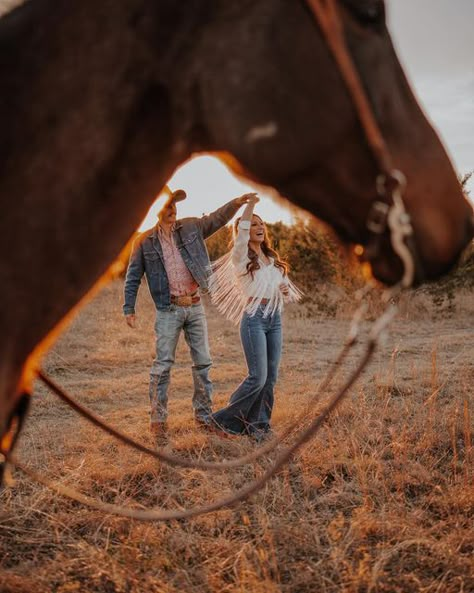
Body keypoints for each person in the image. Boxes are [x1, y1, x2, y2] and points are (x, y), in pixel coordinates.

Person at [123, 188, 252, 438]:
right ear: (155, 210)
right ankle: (158, 420)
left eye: (174, 205)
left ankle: (204, 418)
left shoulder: (192, 227)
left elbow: (216, 218)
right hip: (167, 309)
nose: (171, 209)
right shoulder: (143, 242)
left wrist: (236, 203)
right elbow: (132, 277)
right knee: (162, 366)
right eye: (166, 206)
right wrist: (129, 308)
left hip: (194, 306)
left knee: (203, 363)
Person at [208, 194, 302, 441]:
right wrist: (250, 206)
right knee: (257, 377)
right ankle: (221, 420)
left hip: (274, 319)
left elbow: (288, 293)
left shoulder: (271, 260)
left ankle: (259, 426)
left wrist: (283, 292)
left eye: (262, 224)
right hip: (254, 319)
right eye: (254, 225)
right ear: (245, 231)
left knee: (270, 378)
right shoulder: (240, 257)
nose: (260, 228)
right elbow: (243, 230)